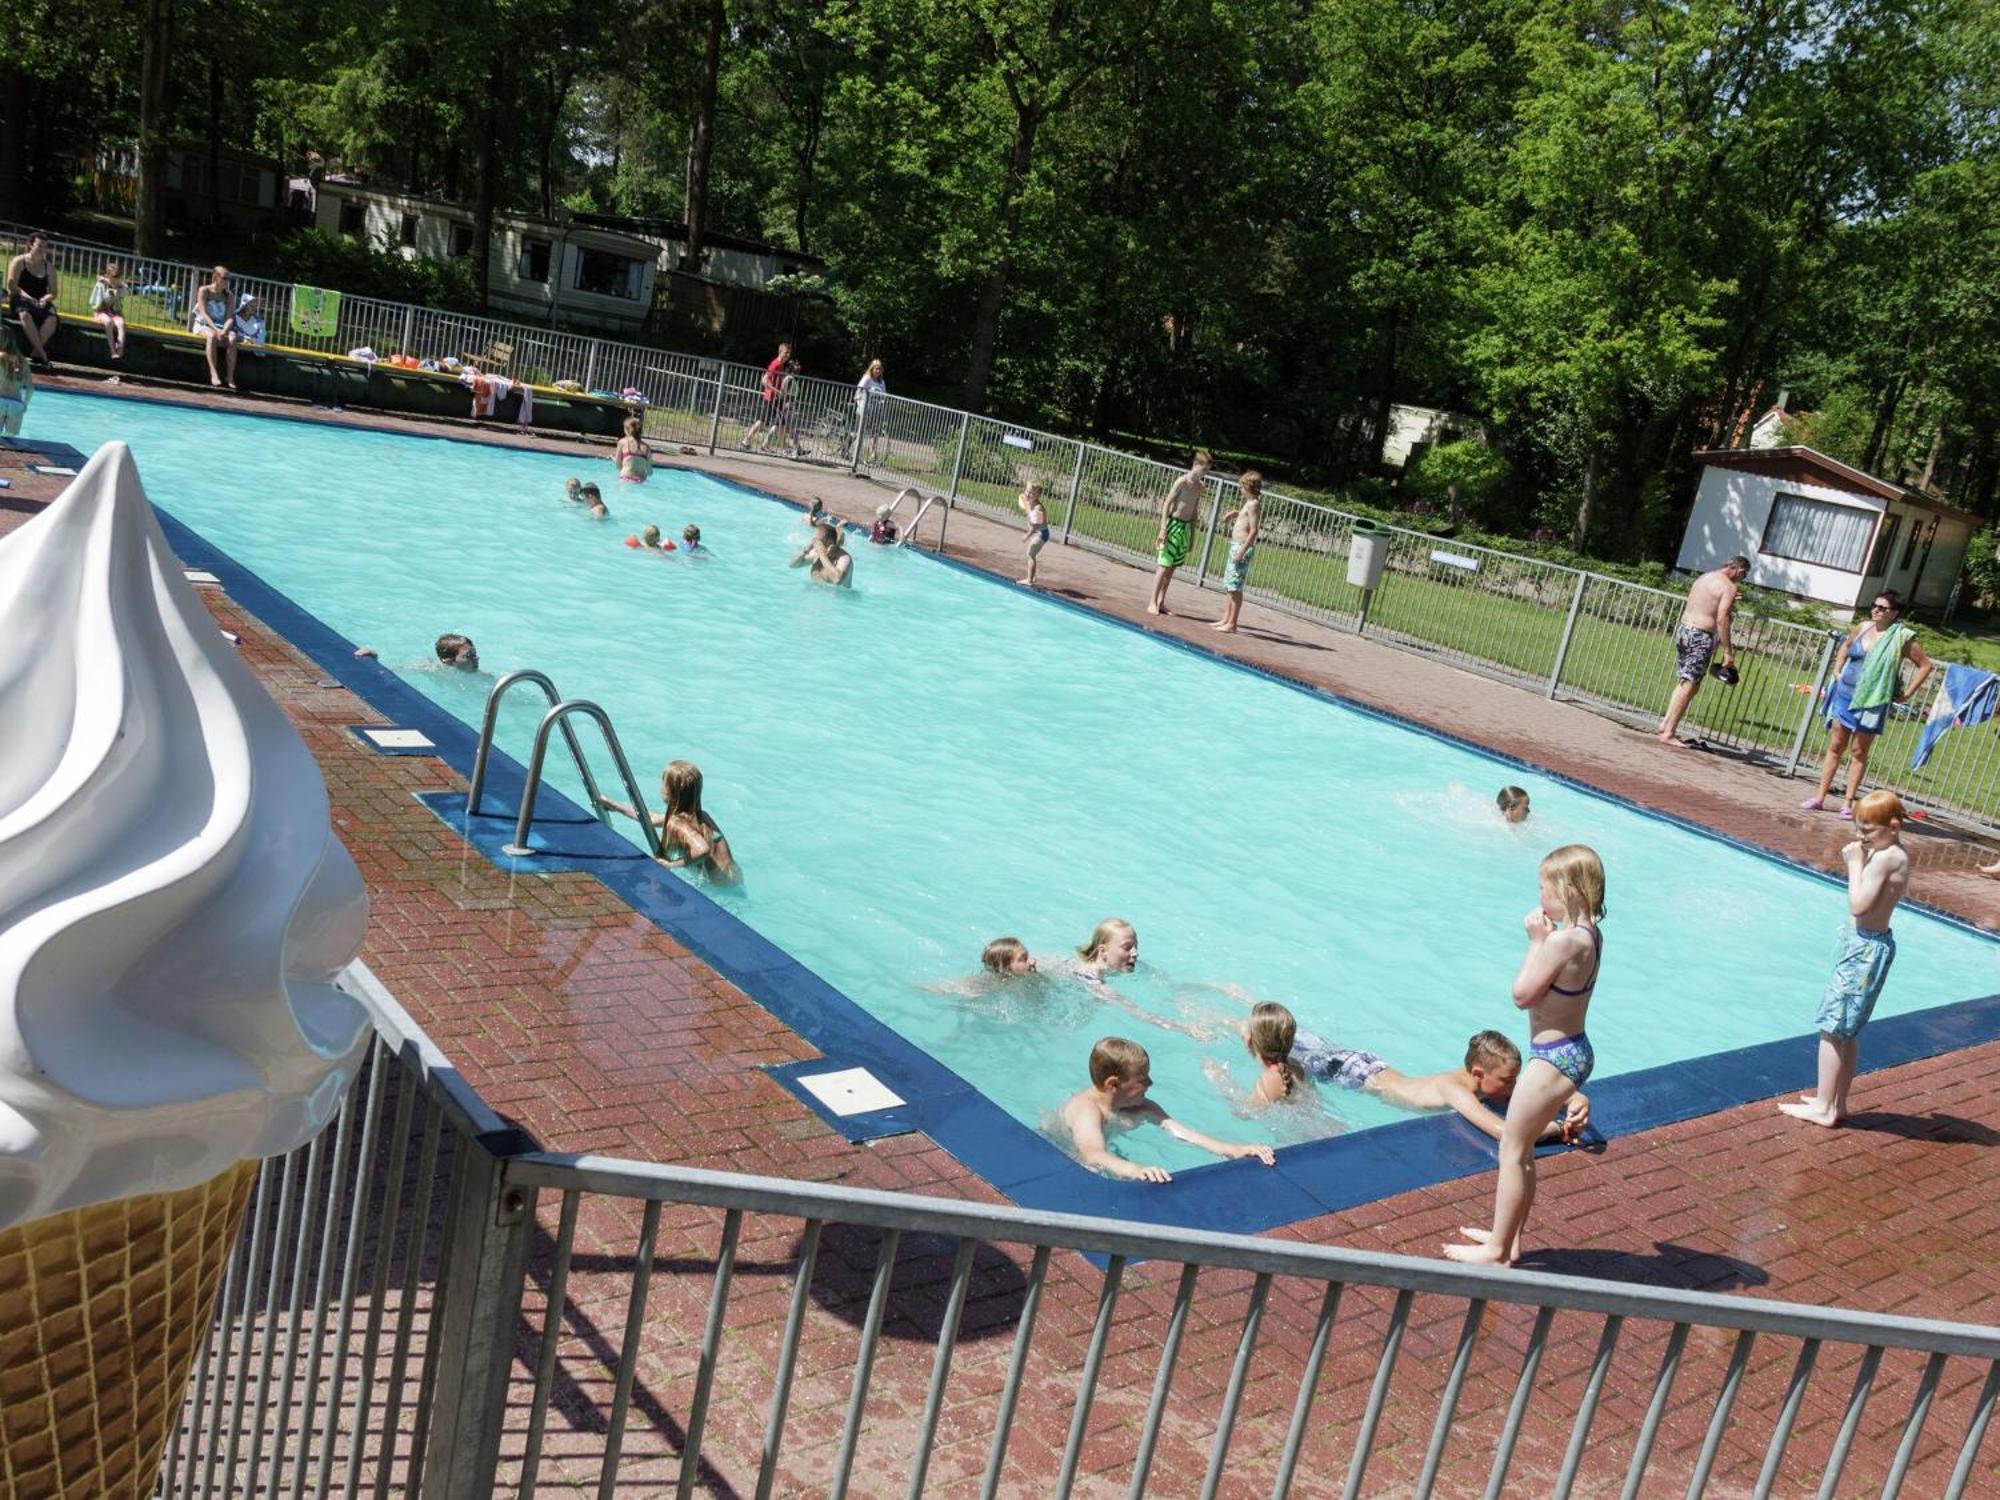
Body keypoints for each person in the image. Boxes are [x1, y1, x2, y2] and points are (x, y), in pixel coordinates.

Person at [1445, 844, 1606, 1265]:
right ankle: (1509, 1238)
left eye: (1543, 887)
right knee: (1523, 1152)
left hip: (1553, 1057)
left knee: (1512, 1151)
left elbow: (1521, 995)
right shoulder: (1591, 934)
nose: (1539, 897)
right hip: (1572, 1049)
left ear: (1569, 889)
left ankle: (1498, 1251)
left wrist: (1536, 942)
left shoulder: (1563, 942)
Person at [1781, 790, 1911, 1128]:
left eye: (1867, 831)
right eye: (1858, 829)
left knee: (1832, 1028)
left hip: (1864, 951)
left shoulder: (1885, 858)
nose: (1860, 837)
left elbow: (1858, 905)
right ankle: (1836, 1101)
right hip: (1870, 945)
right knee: (1847, 1031)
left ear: (1893, 826)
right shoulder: (1893, 853)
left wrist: (1854, 864)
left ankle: (1825, 1107)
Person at [1060, 1037, 1276, 1183]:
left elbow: (1186, 1134)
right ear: (1113, 1084)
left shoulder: (1142, 1107)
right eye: (1143, 1080)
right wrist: (1137, 1169)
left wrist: (1235, 1150)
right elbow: (1091, 1154)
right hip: (1063, 1149)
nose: (1151, 1084)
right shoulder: (1088, 1111)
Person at [1802, 591, 1934, 818]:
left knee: (1858, 751)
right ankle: (1820, 797)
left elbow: (1925, 665)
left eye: (1883, 608)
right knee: (1835, 746)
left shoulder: (1902, 637)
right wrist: (1837, 669)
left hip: (1873, 701)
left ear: (1895, 613)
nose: (1876, 610)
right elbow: (1846, 646)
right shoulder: (1863, 627)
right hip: (1845, 695)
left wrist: (1908, 693)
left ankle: (1847, 803)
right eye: (1875, 605)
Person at [598, 760, 742, 885]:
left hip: (717, 886)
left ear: (670, 792)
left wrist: (671, 865)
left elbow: (702, 850)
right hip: (733, 877)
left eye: (663, 782)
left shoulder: (679, 824)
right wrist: (615, 806)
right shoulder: (702, 816)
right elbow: (651, 819)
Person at [1656, 556, 1749, 745]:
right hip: (1701, 636)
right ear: (1739, 571)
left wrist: (1730, 600)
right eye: (1743, 576)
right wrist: (1728, 652)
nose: (1741, 579)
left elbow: (1708, 603)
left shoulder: (1705, 577)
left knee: (1685, 680)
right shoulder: (1728, 587)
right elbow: (1722, 618)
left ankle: (1666, 723)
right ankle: (1668, 733)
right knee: (1691, 683)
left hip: (1684, 630)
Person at [1148, 451, 1213, 615]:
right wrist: (1163, 528)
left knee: (1172, 568)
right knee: (1163, 565)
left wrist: (1192, 536)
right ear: (1196, 465)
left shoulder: (1200, 487)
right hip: (1173, 525)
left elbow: (1195, 511)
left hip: (1185, 528)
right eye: (1203, 470)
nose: (1204, 474)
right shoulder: (1181, 482)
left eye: (1206, 472)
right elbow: (1167, 504)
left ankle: (1161, 602)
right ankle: (1152, 602)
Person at [1211, 471, 1263, 632]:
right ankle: (1226, 619)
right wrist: (1236, 514)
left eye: (1241, 486)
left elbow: (1254, 530)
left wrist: (1242, 551)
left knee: (1235, 587)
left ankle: (1232, 624)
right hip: (1236, 546)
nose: (1240, 489)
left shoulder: (1253, 504)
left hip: (1241, 547)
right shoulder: (1248, 503)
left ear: (1248, 487)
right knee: (1229, 585)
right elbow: (1245, 520)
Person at [5, 231, 59, 369]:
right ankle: (43, 356)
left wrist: (45, 299)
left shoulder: (49, 267)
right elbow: (12, 285)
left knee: (52, 319)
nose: (43, 250)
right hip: (20, 297)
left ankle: (36, 353)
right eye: (39, 246)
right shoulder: (19, 261)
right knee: (25, 315)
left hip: (40, 300)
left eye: (45, 247)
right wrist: (28, 297)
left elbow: (53, 292)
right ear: (30, 245)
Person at [739, 341, 792, 452]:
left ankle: (746, 442)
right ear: (780, 351)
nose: (788, 355)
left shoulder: (781, 364)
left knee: (775, 423)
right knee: (776, 423)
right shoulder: (776, 364)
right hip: (772, 399)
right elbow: (764, 380)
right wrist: (777, 391)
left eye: (789, 353)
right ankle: (785, 449)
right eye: (786, 353)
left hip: (775, 399)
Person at [191, 266, 238, 390]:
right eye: (224, 278)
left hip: (221, 327)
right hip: (203, 324)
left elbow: (230, 317)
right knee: (211, 336)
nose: (227, 281)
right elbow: (204, 313)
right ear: (215, 277)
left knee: (232, 339)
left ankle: (230, 376)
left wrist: (224, 330)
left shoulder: (229, 296)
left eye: (229, 278)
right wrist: (216, 330)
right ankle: (213, 372)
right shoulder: (204, 290)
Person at [351, 633, 480, 670]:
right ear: (448, 661)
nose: (476, 659)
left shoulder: (480, 674)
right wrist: (374, 658)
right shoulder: (431, 668)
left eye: (473, 654)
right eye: (468, 656)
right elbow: (392, 670)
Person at [790, 520, 852, 586]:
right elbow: (793, 565)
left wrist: (822, 554)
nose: (814, 541)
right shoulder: (816, 554)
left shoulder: (844, 558)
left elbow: (837, 580)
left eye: (817, 539)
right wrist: (805, 550)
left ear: (829, 541)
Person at [90, 261, 127, 361]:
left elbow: (126, 289)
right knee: (108, 322)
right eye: (114, 280)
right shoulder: (101, 285)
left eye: (118, 280)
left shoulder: (121, 287)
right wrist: (111, 296)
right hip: (101, 312)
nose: (116, 282)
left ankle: (120, 348)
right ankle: (112, 350)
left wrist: (117, 292)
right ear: (108, 277)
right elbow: (100, 305)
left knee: (121, 323)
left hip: (115, 313)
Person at [854, 358, 888, 463]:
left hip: (876, 411)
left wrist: (882, 402)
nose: (878, 371)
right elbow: (858, 392)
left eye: (880, 369)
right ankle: (856, 455)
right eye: (876, 368)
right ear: (872, 369)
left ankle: (873, 455)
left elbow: (883, 396)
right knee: (859, 433)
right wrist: (859, 399)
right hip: (864, 409)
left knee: (874, 434)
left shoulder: (881, 382)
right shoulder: (867, 378)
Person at [1018, 482, 1049, 586]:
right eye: (1027, 491)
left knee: (1031, 554)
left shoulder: (1038, 508)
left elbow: (1035, 526)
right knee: (1031, 554)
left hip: (1041, 534)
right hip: (1038, 533)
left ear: (1038, 496)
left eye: (1031, 493)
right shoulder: (1029, 503)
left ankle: (1029, 580)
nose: (1028, 494)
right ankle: (1032, 577)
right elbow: (1024, 502)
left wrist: (1026, 536)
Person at [616, 416, 652, 483]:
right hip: (641, 480)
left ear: (626, 430)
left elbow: (618, 466)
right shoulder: (647, 447)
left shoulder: (622, 442)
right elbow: (650, 472)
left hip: (625, 478)